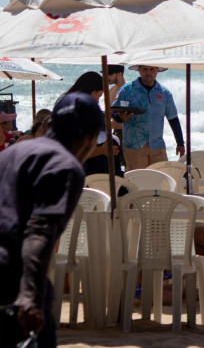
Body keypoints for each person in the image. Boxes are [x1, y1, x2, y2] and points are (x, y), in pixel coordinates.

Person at [0, 92, 104, 348]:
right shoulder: (65, 166)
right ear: (91, 138)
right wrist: (29, 295)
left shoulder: (14, 152)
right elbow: (40, 231)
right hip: (11, 278)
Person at [113, 65, 185, 170]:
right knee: (137, 182)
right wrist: (121, 118)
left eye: (152, 69)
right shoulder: (126, 90)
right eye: (145, 69)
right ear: (139, 70)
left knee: (160, 182)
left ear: (157, 70)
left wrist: (180, 143)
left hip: (157, 145)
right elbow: (114, 112)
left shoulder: (164, 93)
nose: (148, 72)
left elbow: (173, 118)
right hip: (134, 146)